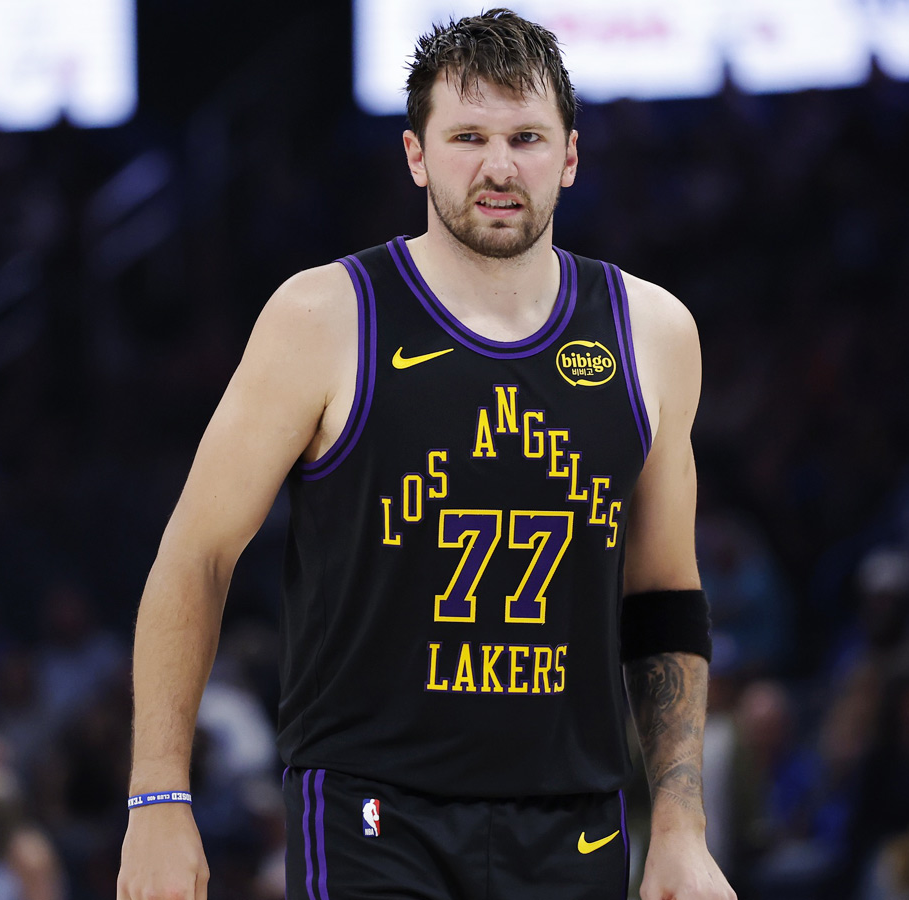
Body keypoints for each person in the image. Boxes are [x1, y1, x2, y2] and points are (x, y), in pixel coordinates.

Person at [116, 9, 733, 900]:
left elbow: (666, 597)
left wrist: (679, 825)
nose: (497, 165)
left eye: (526, 137)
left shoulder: (654, 332)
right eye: (467, 136)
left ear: (569, 155)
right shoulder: (324, 317)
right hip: (374, 815)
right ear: (416, 155)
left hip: (578, 819)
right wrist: (157, 797)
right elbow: (196, 556)